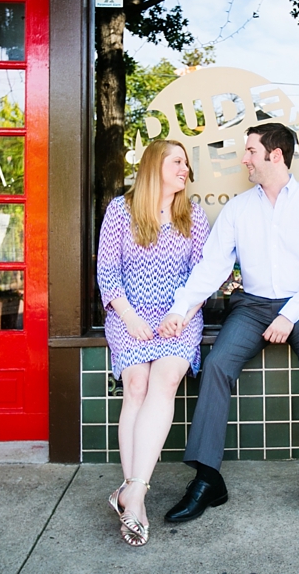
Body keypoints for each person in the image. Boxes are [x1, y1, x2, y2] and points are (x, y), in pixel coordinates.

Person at [158, 122, 299, 521]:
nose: (244, 159)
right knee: (218, 365)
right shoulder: (239, 208)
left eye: (251, 152)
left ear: (275, 155)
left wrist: (289, 315)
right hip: (253, 305)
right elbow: (213, 267)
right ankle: (207, 480)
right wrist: (181, 307)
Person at [96, 139, 209, 547]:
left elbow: (202, 278)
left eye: (187, 164)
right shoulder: (119, 212)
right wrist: (131, 319)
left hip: (178, 318)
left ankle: (134, 493)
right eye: (178, 161)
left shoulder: (192, 215)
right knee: (136, 386)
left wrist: (179, 315)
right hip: (129, 316)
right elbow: (107, 274)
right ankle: (134, 496)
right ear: (154, 165)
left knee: (163, 381)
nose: (185, 170)